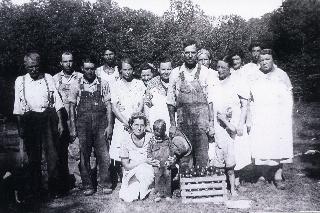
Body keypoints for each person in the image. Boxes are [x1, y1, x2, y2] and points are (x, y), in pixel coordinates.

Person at [13, 52, 65, 200]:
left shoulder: (48, 77)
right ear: (25, 66)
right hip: (30, 119)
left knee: (52, 155)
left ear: (39, 64)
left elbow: (58, 103)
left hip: (48, 117)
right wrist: (20, 127)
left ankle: (54, 188)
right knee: (33, 156)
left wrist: (61, 122)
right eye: (30, 67)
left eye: (36, 66)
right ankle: (36, 189)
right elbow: (18, 105)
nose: (34, 69)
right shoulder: (20, 81)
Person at [167, 39, 214, 169]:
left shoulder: (206, 72)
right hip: (183, 123)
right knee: (184, 158)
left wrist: (211, 123)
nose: (190, 55)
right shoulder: (175, 73)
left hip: (201, 124)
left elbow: (210, 100)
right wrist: (172, 124)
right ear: (183, 54)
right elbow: (170, 101)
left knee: (202, 157)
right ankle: (186, 187)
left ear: (197, 53)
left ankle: (202, 187)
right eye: (187, 53)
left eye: (193, 52)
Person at [249, 49, 293, 189]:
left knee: (279, 145)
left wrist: (287, 115)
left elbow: (289, 97)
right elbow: (250, 98)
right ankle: (262, 174)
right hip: (260, 116)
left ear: (272, 59)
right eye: (261, 60)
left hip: (278, 116)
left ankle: (278, 175)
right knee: (262, 145)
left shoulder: (281, 75)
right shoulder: (254, 76)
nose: (264, 62)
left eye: (267, 59)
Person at [208, 56, 250, 196]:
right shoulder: (214, 82)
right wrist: (211, 123)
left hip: (233, 122)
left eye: (223, 68)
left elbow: (245, 105)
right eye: (218, 67)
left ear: (230, 69)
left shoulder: (237, 82)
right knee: (219, 151)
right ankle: (221, 184)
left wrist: (240, 124)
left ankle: (235, 182)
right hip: (217, 121)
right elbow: (211, 105)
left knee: (234, 151)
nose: (219, 70)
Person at [73, 57, 113, 196]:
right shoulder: (76, 84)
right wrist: (73, 126)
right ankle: (88, 185)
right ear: (82, 69)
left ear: (95, 69)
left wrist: (110, 125)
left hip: (101, 123)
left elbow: (108, 105)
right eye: (87, 68)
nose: (90, 71)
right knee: (84, 155)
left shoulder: (103, 83)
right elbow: (72, 107)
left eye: (92, 68)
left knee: (104, 154)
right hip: (83, 124)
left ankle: (105, 183)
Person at [109, 58, 146, 187]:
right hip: (122, 123)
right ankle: (124, 178)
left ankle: (136, 179)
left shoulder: (139, 83)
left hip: (136, 122)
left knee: (135, 150)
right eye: (125, 69)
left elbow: (141, 102)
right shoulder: (115, 85)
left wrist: (135, 119)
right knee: (122, 149)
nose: (128, 72)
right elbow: (114, 107)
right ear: (120, 70)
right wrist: (126, 122)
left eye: (130, 69)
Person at [53, 51, 82, 191]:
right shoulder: (54, 79)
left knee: (77, 151)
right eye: (65, 61)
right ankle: (64, 182)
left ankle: (80, 181)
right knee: (60, 152)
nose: (68, 64)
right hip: (60, 120)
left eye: (70, 61)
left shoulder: (80, 77)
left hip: (76, 119)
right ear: (61, 63)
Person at [118, 113, 157, 202]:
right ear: (131, 125)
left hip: (148, 170)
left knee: (144, 171)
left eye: (142, 125)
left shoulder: (150, 137)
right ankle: (144, 190)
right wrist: (144, 160)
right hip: (131, 171)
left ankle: (148, 190)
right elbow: (126, 166)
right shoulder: (125, 140)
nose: (139, 128)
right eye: (136, 125)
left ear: (145, 126)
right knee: (129, 197)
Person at [147, 119, 176, 202]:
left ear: (164, 131)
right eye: (156, 135)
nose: (158, 137)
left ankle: (168, 194)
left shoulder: (168, 140)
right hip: (157, 164)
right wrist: (151, 159)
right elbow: (149, 151)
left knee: (167, 176)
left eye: (160, 135)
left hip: (166, 163)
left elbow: (172, 150)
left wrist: (171, 158)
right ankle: (158, 194)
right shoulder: (152, 141)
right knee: (158, 178)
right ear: (153, 131)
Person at [144, 58, 172, 135]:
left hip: (172, 124)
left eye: (168, 69)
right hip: (155, 122)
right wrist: (147, 124)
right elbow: (147, 104)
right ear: (159, 69)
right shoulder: (152, 83)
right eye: (163, 69)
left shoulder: (176, 82)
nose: (166, 72)